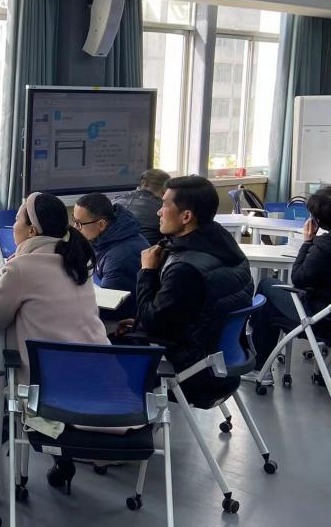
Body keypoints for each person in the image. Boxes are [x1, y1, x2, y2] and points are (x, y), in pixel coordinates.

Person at [0, 192, 109, 492]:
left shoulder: (22, 268)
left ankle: (11, 441)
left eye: (17, 219)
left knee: (14, 370)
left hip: (46, 388)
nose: (13, 225)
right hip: (99, 379)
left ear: (31, 231)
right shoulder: (76, 261)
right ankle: (59, 456)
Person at [119, 176, 254, 406]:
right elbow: (191, 311)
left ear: (186, 216)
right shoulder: (227, 246)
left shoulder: (184, 268)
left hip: (194, 376)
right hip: (224, 366)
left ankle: (126, 422)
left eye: (164, 205)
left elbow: (153, 323)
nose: (158, 212)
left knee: (105, 345)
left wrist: (147, 272)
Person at [248, 188, 331, 384]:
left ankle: (259, 366)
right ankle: (258, 362)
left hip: (321, 319)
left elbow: (298, 278)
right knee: (269, 306)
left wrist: (307, 242)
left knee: (267, 287)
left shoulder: (324, 247)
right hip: (325, 309)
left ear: (317, 221)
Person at [73, 193, 149, 320]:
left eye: (79, 223)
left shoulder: (121, 257)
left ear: (101, 225)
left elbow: (109, 307)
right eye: (74, 220)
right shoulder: (103, 238)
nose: (75, 228)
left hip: (122, 322)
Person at [115, 168, 170, 245]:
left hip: (109, 251)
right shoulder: (163, 208)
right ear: (165, 190)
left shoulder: (114, 201)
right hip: (146, 250)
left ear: (143, 184)